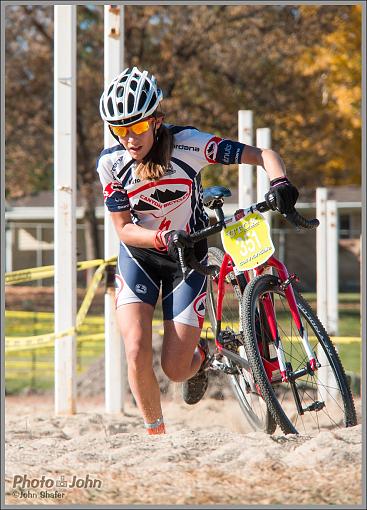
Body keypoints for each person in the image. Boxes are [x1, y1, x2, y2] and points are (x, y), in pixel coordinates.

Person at [97, 66, 299, 435]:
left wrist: (280, 181)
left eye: (137, 127)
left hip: (186, 259)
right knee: (136, 348)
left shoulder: (191, 144)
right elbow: (124, 229)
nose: (129, 138)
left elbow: (263, 154)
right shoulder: (111, 164)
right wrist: (160, 238)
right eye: (119, 129)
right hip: (140, 256)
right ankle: (155, 434)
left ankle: (204, 357)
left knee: (175, 369)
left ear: (156, 121)